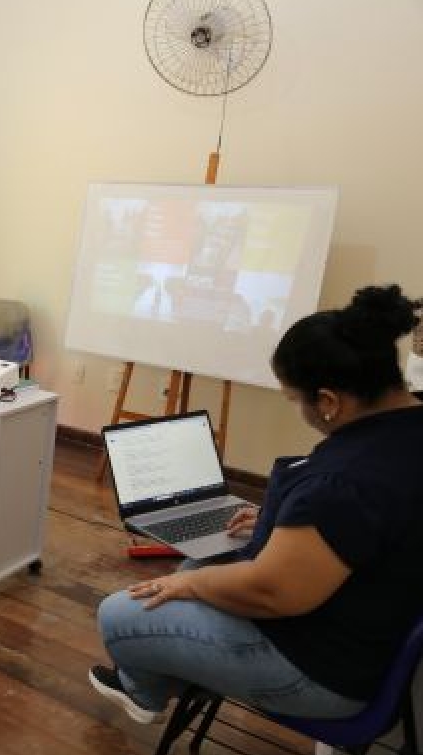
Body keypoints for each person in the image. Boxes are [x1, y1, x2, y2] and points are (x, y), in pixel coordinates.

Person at [91, 284, 423, 724]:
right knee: (197, 567)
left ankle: (143, 690)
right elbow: (356, 532)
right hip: (371, 633)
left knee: (122, 613)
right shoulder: (407, 427)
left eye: (292, 399)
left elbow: (273, 592)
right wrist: (274, 523)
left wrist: (191, 587)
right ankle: (172, 665)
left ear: (328, 401)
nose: (297, 410)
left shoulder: (342, 482)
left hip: (322, 675)